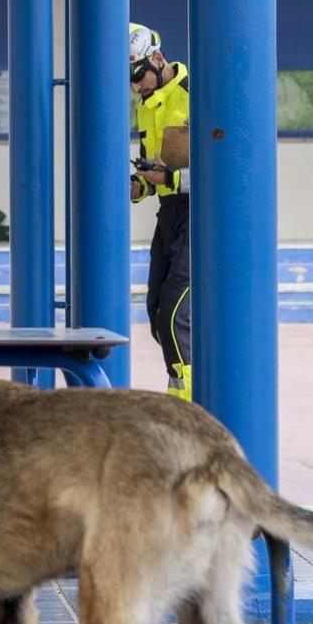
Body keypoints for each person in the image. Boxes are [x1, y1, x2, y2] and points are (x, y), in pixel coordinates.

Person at [129, 22, 193, 400]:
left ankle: (185, 401)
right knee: (156, 311)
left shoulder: (193, 95)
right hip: (169, 213)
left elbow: (219, 172)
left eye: (139, 75)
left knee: (173, 313)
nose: (136, 86)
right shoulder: (147, 106)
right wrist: (141, 186)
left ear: (157, 58)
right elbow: (158, 171)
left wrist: (166, 180)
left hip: (198, 214)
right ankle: (182, 385)